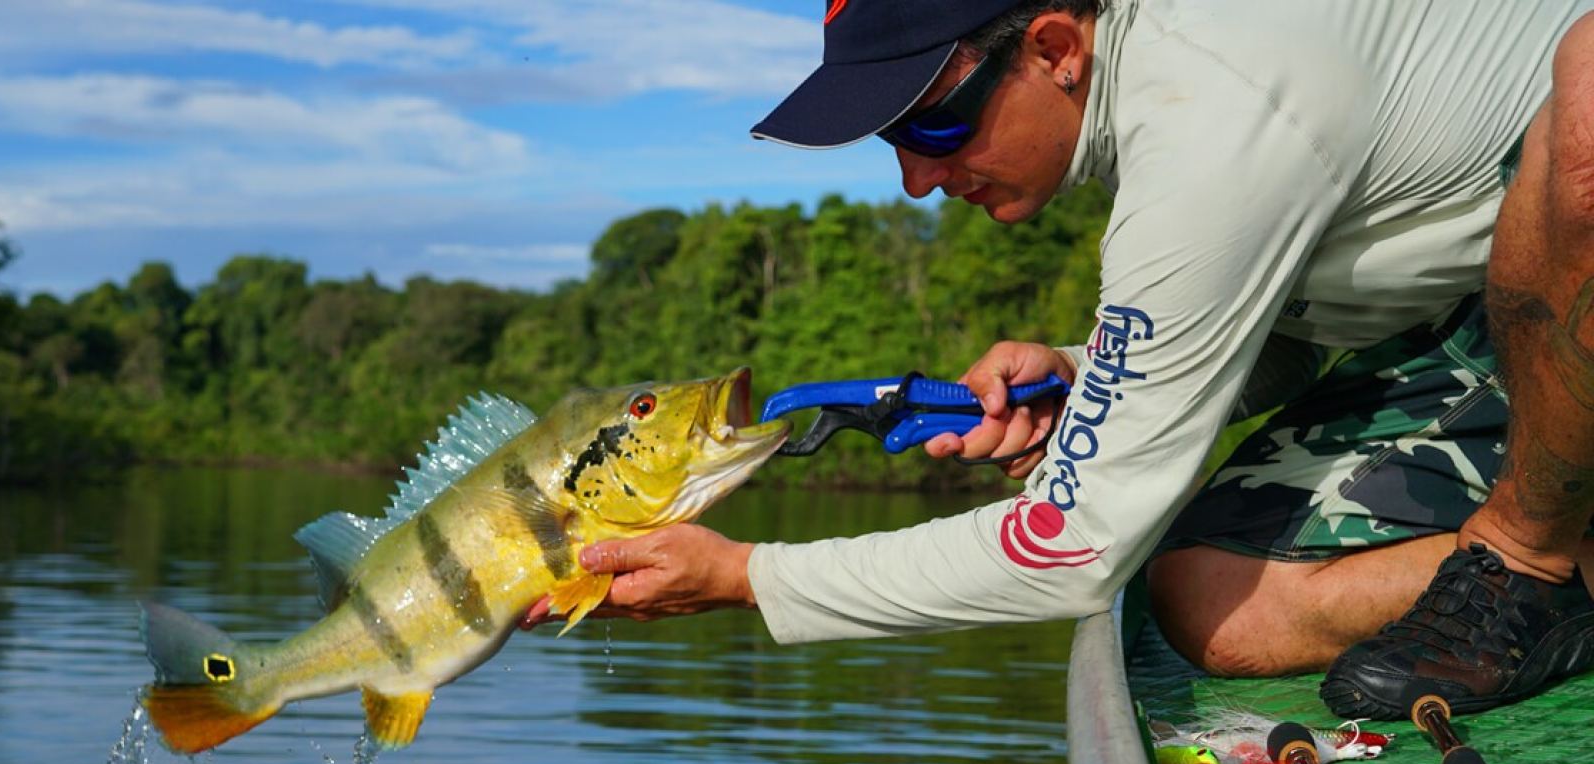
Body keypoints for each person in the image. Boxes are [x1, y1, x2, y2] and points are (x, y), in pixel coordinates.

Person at [523, 0, 1594, 720]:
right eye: (887, 142)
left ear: (1049, 47)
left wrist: (752, 575)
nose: (911, 179)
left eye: (930, 127)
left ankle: (1533, 564)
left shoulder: (1206, 125)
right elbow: (1300, 326)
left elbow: (1073, 549)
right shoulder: (1167, 89)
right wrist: (1091, 376)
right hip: (1477, 299)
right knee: (1213, 601)